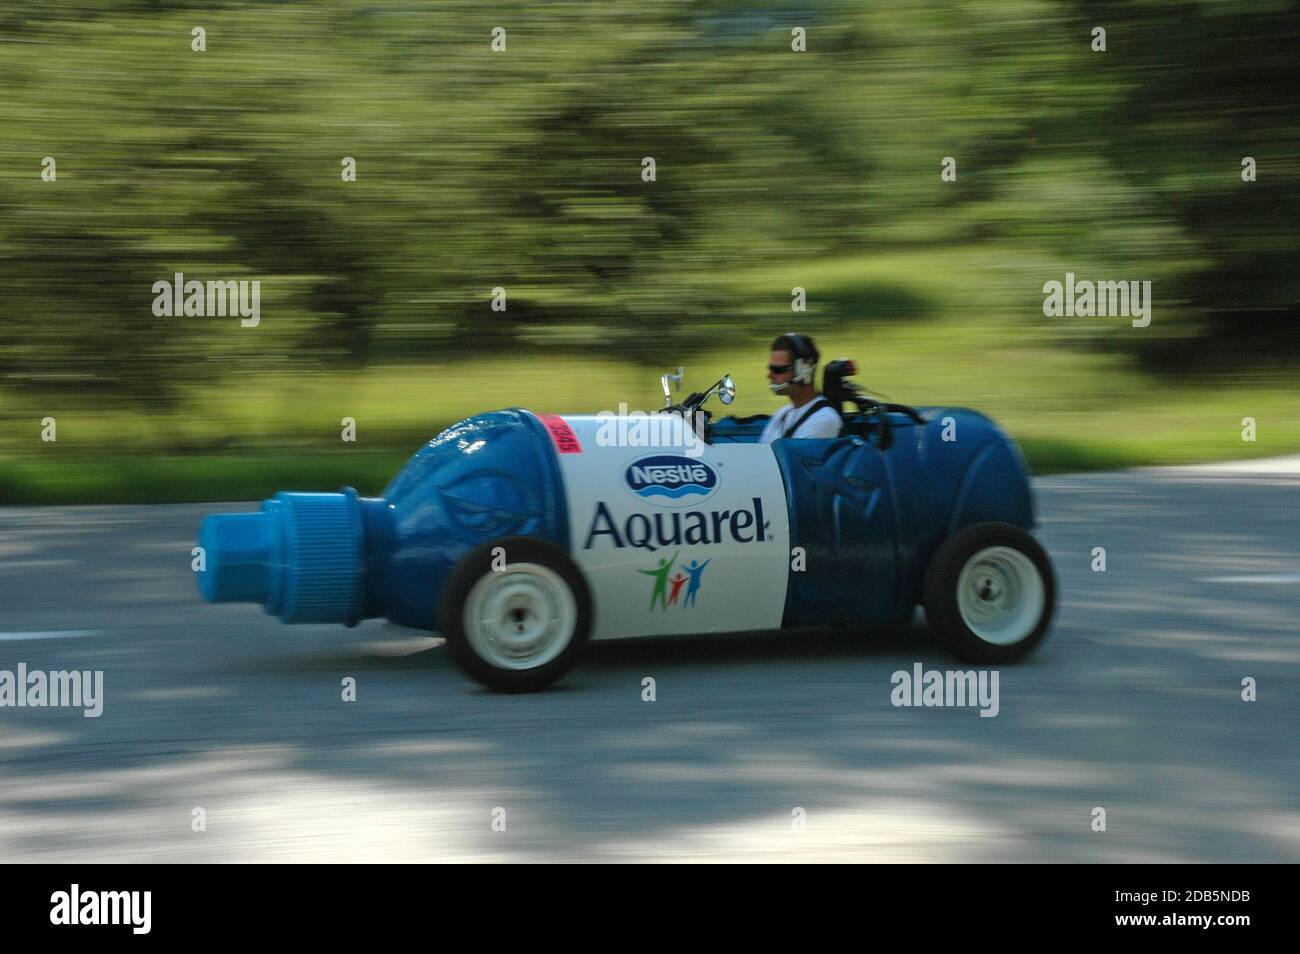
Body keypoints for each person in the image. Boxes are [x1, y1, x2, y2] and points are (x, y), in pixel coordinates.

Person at [759, 333, 842, 442]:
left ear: (804, 371)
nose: (770, 375)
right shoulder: (782, 414)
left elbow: (792, 459)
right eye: (770, 368)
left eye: (778, 370)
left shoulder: (823, 420)